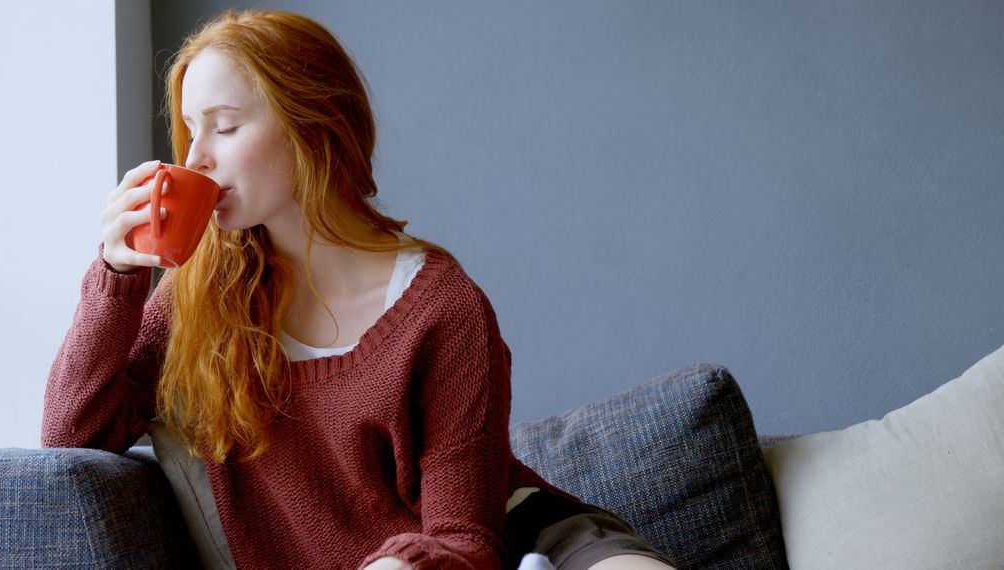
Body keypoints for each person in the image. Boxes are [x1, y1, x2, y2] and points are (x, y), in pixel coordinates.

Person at [42, 9, 675, 570]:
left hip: (510, 535)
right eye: (190, 130)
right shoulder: (198, 295)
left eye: (225, 127)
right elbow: (73, 435)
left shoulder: (443, 307)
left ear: (310, 123)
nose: (196, 157)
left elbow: (464, 535)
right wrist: (116, 275)